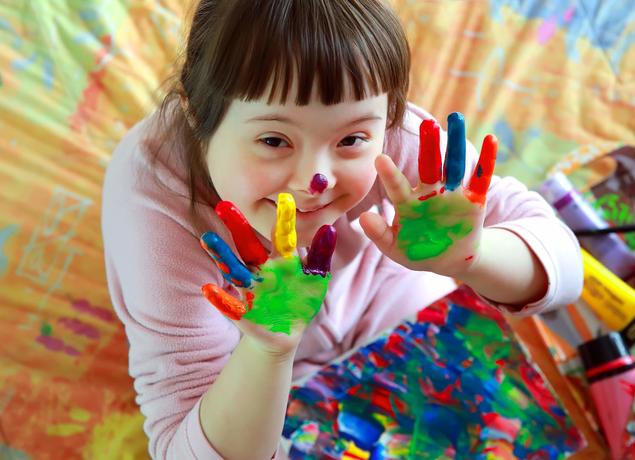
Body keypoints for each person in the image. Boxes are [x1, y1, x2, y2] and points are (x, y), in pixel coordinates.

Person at [101, 1, 583, 458]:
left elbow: (565, 266)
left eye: (351, 138)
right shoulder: (153, 208)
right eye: (274, 139)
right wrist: (267, 349)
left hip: (394, 303)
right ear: (194, 112)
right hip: (254, 374)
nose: (316, 180)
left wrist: (472, 256)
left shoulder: (399, 144)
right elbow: (186, 449)